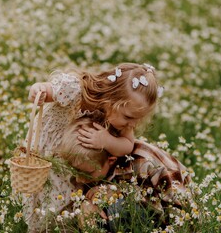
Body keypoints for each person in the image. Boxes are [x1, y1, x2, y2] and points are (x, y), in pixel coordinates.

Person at [22, 63, 161, 232]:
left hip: (78, 156)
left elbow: (127, 145)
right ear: (112, 100)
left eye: (137, 119)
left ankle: (59, 225)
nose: (132, 124)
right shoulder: (77, 91)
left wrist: (107, 140)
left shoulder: (123, 120)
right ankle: (41, 225)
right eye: (129, 117)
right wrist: (39, 89)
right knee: (42, 188)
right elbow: (49, 90)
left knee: (65, 196)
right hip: (49, 147)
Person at [55, 117, 192, 231]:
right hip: (129, 212)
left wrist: (121, 193)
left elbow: (183, 206)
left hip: (165, 218)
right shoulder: (86, 165)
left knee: (118, 207)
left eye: (87, 173)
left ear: (111, 160)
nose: (79, 178)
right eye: (75, 171)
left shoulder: (146, 162)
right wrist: (85, 205)